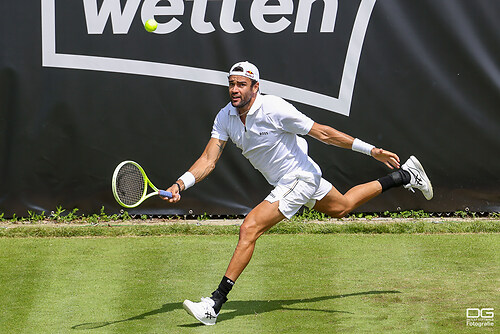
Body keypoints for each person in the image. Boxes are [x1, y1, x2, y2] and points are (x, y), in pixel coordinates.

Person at [163, 61, 433, 325]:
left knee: (249, 228)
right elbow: (209, 159)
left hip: (298, 177)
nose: (235, 89)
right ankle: (406, 175)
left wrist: (371, 150)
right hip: (294, 177)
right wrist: (180, 185)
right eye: (232, 84)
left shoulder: (274, 108)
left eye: (242, 85)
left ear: (255, 87)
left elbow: (323, 134)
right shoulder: (225, 116)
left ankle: (214, 303)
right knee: (343, 206)